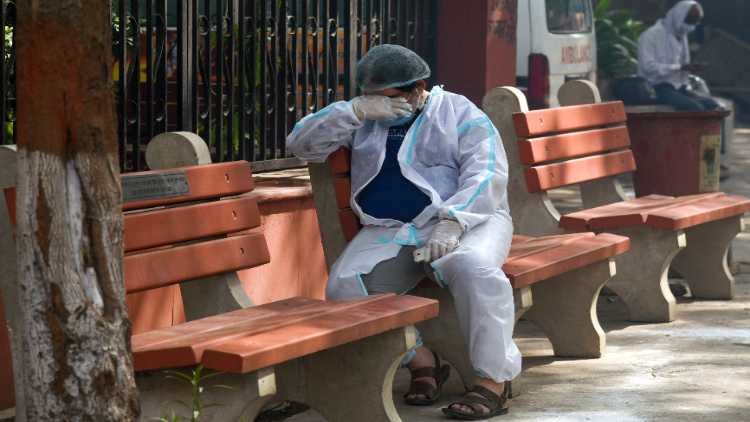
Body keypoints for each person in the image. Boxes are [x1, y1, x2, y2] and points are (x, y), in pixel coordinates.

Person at [286, 44, 520, 419]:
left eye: (387, 97)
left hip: (473, 220)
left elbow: (487, 172)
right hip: (393, 229)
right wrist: (354, 111)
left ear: (418, 87)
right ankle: (423, 360)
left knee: (474, 269)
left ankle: (494, 381)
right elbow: (301, 144)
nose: (379, 105)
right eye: (369, 96)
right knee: (344, 287)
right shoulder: (362, 119)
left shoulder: (459, 113)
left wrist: (454, 220)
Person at [637, 0, 720, 111]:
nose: (691, 26)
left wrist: (690, 68)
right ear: (679, 16)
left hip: (679, 87)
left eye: (695, 23)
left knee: (712, 105)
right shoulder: (650, 35)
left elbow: (683, 65)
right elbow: (647, 67)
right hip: (657, 88)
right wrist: (679, 67)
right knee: (695, 108)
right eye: (689, 21)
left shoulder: (681, 35)